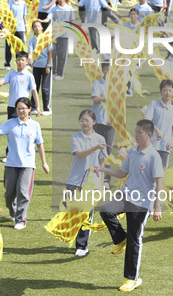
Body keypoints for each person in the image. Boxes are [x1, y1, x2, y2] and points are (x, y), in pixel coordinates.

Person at [95, 119, 164, 293]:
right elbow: (122, 173)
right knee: (106, 210)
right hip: (126, 194)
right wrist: (103, 170)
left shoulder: (154, 157)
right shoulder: (133, 151)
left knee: (135, 241)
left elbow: (159, 183)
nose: (136, 134)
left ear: (148, 135)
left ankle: (132, 279)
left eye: (139, 131)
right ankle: (120, 239)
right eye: (136, 130)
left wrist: (157, 208)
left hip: (142, 204)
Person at [0, 97, 49, 230]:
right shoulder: (11, 123)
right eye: (18, 108)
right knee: (9, 193)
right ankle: (13, 213)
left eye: (23, 108)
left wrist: (44, 163)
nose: (20, 111)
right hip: (11, 164)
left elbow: (40, 144)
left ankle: (21, 219)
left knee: (23, 192)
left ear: (30, 109)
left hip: (28, 165)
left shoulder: (35, 125)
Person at [65, 109, 107, 257]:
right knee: (72, 211)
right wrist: (96, 147)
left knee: (86, 214)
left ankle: (82, 246)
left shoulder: (101, 138)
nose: (84, 123)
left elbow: (102, 163)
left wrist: (101, 184)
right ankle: (75, 237)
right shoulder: (75, 137)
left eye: (87, 120)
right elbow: (81, 155)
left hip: (92, 183)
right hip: (74, 180)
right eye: (82, 120)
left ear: (94, 122)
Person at [0, 51, 40, 120]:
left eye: (22, 60)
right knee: (11, 128)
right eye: (18, 60)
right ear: (16, 61)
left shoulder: (29, 76)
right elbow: (0, 83)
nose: (20, 62)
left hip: (24, 107)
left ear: (26, 61)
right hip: (12, 106)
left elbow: (34, 92)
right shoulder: (11, 73)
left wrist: (38, 107)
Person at [144, 80, 173, 169]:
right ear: (160, 92)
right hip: (152, 144)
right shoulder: (154, 104)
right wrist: (157, 130)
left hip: (165, 146)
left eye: (170, 91)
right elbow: (146, 120)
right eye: (165, 90)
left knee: (162, 171)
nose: (167, 93)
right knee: (149, 170)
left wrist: (172, 140)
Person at [43, 0, 74, 79]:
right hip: (54, 35)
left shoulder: (70, 8)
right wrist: (42, 21)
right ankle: (54, 72)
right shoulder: (54, 9)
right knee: (53, 53)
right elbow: (48, 18)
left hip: (65, 35)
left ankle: (60, 73)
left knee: (62, 55)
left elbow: (72, 22)